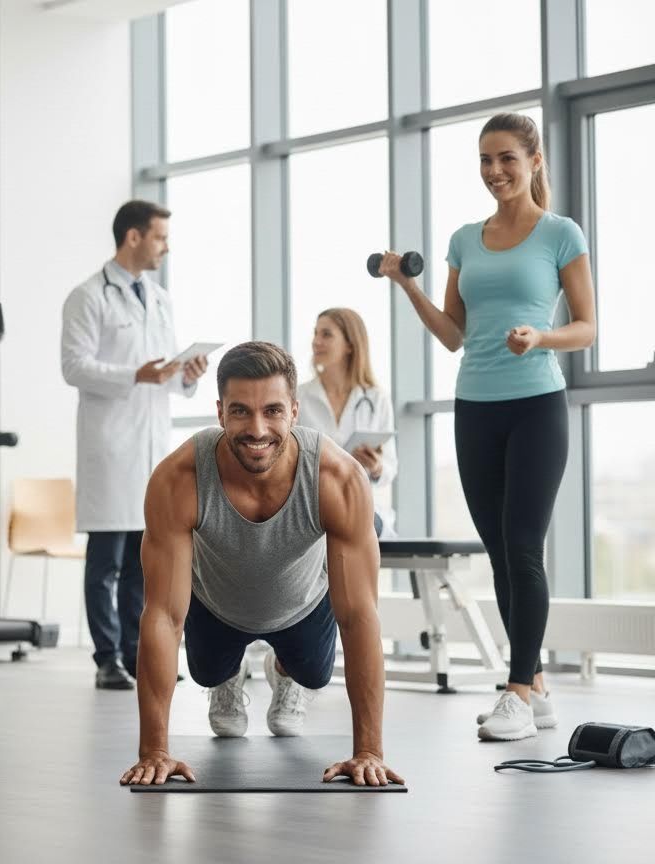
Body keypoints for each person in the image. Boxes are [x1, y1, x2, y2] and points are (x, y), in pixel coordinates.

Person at [378, 112, 596, 742]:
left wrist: (541, 337)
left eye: (506, 158)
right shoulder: (464, 241)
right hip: (475, 406)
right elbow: (453, 335)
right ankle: (537, 689)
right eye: (485, 160)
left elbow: (587, 326)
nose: (494, 171)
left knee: (523, 546)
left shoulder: (560, 233)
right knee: (501, 555)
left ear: (533, 161)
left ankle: (517, 691)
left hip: (537, 405)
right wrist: (408, 286)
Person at [120, 342, 403, 788]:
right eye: (240, 412)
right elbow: (162, 615)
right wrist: (153, 751)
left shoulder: (338, 478)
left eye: (272, 411)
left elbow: (359, 616)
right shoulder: (178, 479)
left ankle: (283, 671)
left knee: (314, 674)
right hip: (216, 604)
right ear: (219, 413)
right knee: (207, 672)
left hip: (302, 603)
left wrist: (369, 751)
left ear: (294, 412)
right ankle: (228, 676)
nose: (257, 429)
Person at [61, 200, 209, 690]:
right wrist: (135, 374)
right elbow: (74, 366)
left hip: (150, 445)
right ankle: (107, 658)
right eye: (160, 237)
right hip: (110, 445)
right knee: (106, 560)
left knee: (142, 560)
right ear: (133, 237)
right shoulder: (88, 296)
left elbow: (167, 377)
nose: (166, 247)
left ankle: (137, 653)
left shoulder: (161, 299)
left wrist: (187, 375)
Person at [296, 308, 398, 538]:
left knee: (359, 524)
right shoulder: (299, 397)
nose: (316, 341)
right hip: (314, 505)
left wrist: (376, 467)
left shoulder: (376, 398)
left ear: (350, 345)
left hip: (361, 505)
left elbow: (389, 467)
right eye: (315, 333)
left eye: (326, 334)